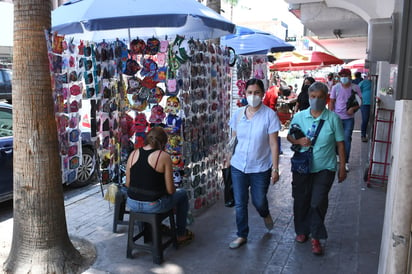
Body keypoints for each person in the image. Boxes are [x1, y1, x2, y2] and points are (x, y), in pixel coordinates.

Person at [287, 81, 346, 256]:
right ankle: (302, 231)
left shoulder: (333, 119)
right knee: (301, 200)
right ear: (309, 97)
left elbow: (340, 145)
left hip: (325, 167)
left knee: (317, 201)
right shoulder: (299, 117)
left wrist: (342, 166)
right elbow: (290, 136)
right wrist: (298, 141)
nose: (316, 100)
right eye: (313, 97)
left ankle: (316, 237)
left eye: (320, 97)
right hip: (302, 167)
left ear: (326, 98)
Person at [228, 78, 281, 249]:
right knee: (240, 202)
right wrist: (228, 157)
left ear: (262, 94)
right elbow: (234, 138)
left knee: (259, 201)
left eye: (257, 92)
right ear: (245, 94)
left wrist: (275, 168)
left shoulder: (269, 115)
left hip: (260, 167)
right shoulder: (238, 114)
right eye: (250, 93)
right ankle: (241, 235)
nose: (253, 96)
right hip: (238, 165)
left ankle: (265, 213)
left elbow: (273, 143)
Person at [125, 127, 193, 245]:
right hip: (153, 205)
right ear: (163, 143)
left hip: (132, 203)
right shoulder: (163, 156)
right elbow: (171, 190)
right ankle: (181, 234)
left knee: (142, 194)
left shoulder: (133, 153)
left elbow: (127, 183)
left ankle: (148, 232)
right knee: (182, 194)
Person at [329, 68, 362, 172]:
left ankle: (345, 161)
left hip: (349, 119)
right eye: (341, 76)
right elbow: (332, 102)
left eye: (345, 76)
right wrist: (330, 116)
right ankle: (337, 156)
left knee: (347, 139)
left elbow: (360, 102)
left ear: (349, 76)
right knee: (334, 139)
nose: (343, 78)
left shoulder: (355, 88)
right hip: (336, 118)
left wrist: (353, 108)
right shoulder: (336, 88)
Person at [263, 83, 283, 154]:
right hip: (267, 112)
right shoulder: (275, 94)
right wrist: (275, 115)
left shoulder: (274, 88)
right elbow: (271, 106)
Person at [358, 73, 372, 142]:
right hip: (365, 104)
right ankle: (363, 135)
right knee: (365, 119)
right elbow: (357, 91)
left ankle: (369, 134)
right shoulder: (363, 82)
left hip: (373, 104)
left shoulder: (375, 83)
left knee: (371, 120)